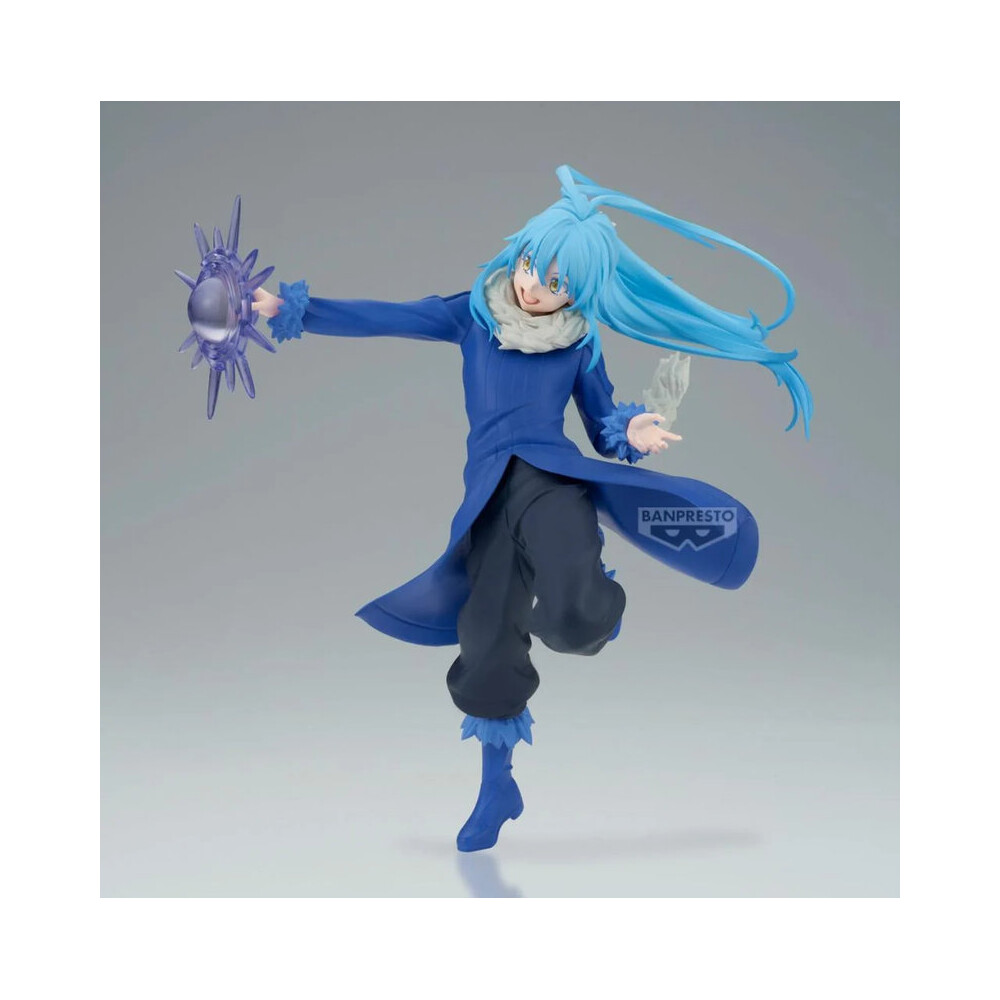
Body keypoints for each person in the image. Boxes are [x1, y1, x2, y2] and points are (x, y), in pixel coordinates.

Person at [251, 165, 812, 852]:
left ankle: (599, 604)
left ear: (579, 290)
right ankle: (498, 787)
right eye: (527, 266)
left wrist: (633, 429)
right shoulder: (472, 315)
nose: (532, 285)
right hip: (488, 499)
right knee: (487, 641)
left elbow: (603, 424)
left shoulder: (578, 344)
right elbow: (386, 316)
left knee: (575, 621)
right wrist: (291, 309)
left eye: (554, 281)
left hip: (552, 484)